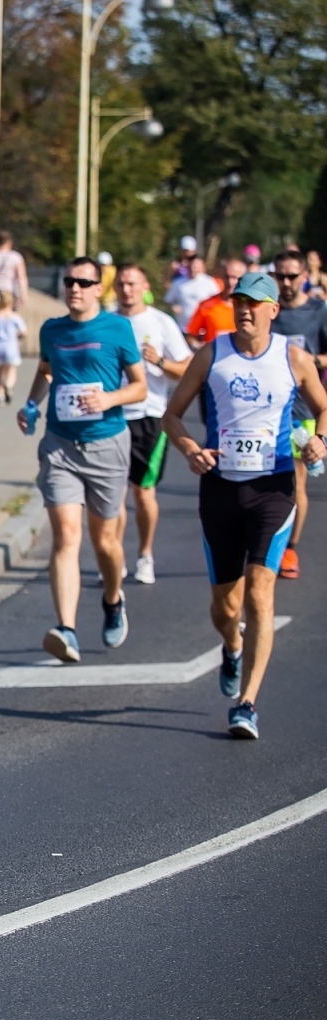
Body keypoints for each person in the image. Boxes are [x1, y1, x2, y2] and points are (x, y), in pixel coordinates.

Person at [162, 272, 327, 739]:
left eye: (254, 303)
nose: (244, 310)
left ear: (273, 310)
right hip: (221, 490)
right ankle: (231, 646)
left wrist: (320, 440)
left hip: (273, 490)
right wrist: (190, 448)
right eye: (239, 302)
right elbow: (171, 416)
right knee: (225, 604)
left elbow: (323, 407)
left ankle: (247, 703)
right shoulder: (212, 355)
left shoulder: (293, 358)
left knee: (259, 591)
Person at [17, 256, 147, 662]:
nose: (75, 288)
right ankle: (67, 629)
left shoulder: (117, 329)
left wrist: (109, 399)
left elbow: (140, 387)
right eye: (70, 281)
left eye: (84, 283)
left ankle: (113, 599)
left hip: (106, 445)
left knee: (105, 541)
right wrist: (31, 404)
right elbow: (46, 370)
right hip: (60, 445)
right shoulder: (52, 330)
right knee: (66, 536)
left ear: (97, 288)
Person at [111, 264, 193, 585]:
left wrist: (159, 361)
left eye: (132, 283)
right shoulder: (106, 322)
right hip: (112, 415)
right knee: (114, 493)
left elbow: (187, 370)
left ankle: (145, 554)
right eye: (121, 283)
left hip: (149, 416)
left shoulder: (160, 322)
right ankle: (115, 555)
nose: (126, 289)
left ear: (145, 286)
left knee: (143, 492)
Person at [271, 249, 327, 579]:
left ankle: (290, 548)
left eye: (292, 276)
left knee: (295, 483)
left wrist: (311, 362)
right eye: (280, 276)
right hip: (266, 410)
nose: (286, 282)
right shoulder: (267, 311)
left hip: (301, 410)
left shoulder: (317, 310)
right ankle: (265, 542)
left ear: (304, 276)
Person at [186, 257, 247, 347]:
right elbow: (191, 335)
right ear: (221, 276)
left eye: (234, 278)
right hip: (215, 354)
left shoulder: (250, 306)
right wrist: (199, 347)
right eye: (227, 277)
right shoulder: (206, 305)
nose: (230, 282)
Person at [0, 291, 26, 405]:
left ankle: (0, 396)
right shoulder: (14, 316)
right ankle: (8, 385)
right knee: (11, 369)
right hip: (11, 345)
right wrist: (18, 337)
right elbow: (24, 331)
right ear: (11, 303)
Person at [167, 257, 220, 330]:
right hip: (182, 327)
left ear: (202, 267)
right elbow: (168, 300)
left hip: (202, 329)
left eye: (196, 267)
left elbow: (218, 301)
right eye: (192, 266)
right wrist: (173, 307)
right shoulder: (178, 283)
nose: (193, 269)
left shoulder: (209, 282)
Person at [0, 231, 28, 309]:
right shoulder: (16, 257)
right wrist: (23, 294)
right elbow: (21, 277)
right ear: (9, 242)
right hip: (8, 292)